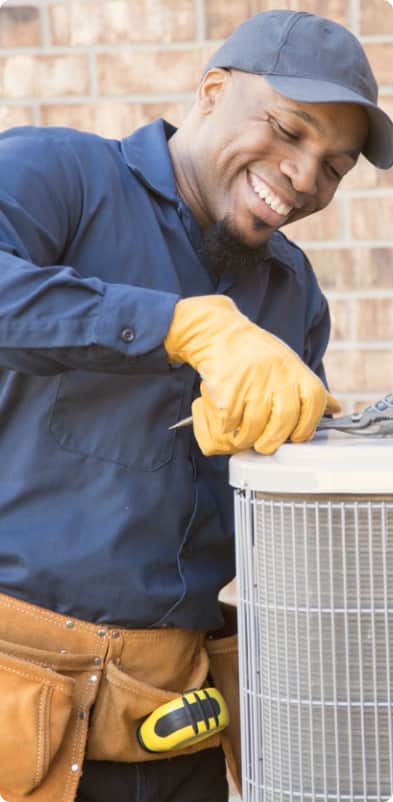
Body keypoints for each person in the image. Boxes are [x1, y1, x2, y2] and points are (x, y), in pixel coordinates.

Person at [0, 8, 391, 802]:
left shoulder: (291, 291)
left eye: (334, 165)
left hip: (180, 724)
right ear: (212, 91)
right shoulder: (60, 175)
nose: (304, 175)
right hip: (23, 717)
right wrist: (178, 323)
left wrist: (320, 444)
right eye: (288, 130)